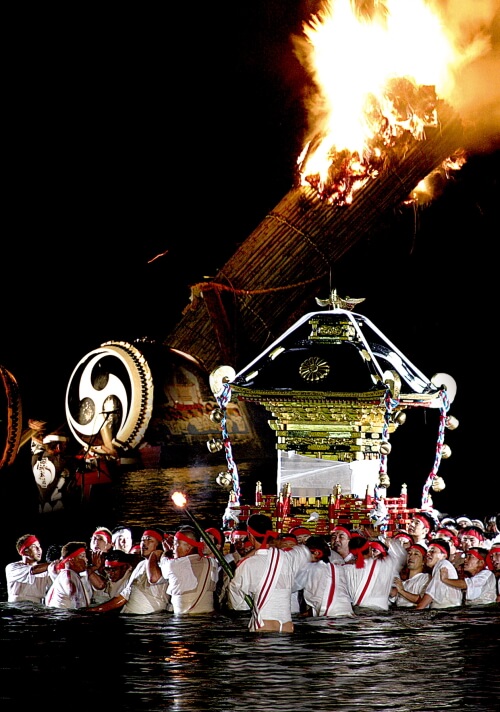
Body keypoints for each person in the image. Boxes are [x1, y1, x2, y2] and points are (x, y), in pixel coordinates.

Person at [228, 513, 312, 633]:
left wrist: (245, 608)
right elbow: (305, 552)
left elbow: (236, 594)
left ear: (250, 536)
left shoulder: (248, 564)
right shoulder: (288, 557)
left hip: (264, 624)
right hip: (287, 626)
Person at [84, 528, 170, 614]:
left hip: (151, 620)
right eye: (142, 540)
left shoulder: (164, 564)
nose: (144, 543)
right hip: (131, 617)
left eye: (149, 540)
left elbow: (154, 578)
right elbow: (125, 595)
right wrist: (96, 610)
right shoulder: (141, 565)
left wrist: (154, 555)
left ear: (159, 545)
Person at [148, 525, 219, 615]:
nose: (173, 548)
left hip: (184, 621)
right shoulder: (212, 562)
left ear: (188, 547)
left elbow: (154, 577)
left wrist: (162, 552)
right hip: (208, 619)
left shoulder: (174, 565)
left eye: (176, 544)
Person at [294, 535, 354, 618]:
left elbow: (293, 586)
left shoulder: (311, 569)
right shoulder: (338, 568)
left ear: (316, 553)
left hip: (329, 617)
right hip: (347, 613)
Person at [343, 536, 406, 611]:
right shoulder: (386, 565)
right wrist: (389, 542)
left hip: (357, 614)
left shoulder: (345, 569)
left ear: (351, 552)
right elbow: (402, 555)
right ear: (369, 549)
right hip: (380, 615)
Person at [5, 533, 58, 604]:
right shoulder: (12, 567)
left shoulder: (47, 570)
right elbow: (33, 570)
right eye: (34, 547)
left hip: (37, 610)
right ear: (24, 551)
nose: (39, 549)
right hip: (17, 610)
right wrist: (57, 563)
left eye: (39, 546)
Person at [415, 539, 463, 610]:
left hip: (446, 612)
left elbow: (430, 593)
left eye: (432, 551)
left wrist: (416, 611)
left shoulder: (443, 564)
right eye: (428, 551)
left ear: (444, 556)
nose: (428, 554)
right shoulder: (440, 566)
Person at [45, 541, 94, 609]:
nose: (86, 560)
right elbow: (70, 586)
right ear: (71, 560)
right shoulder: (68, 574)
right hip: (64, 616)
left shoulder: (70, 574)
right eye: (82, 556)